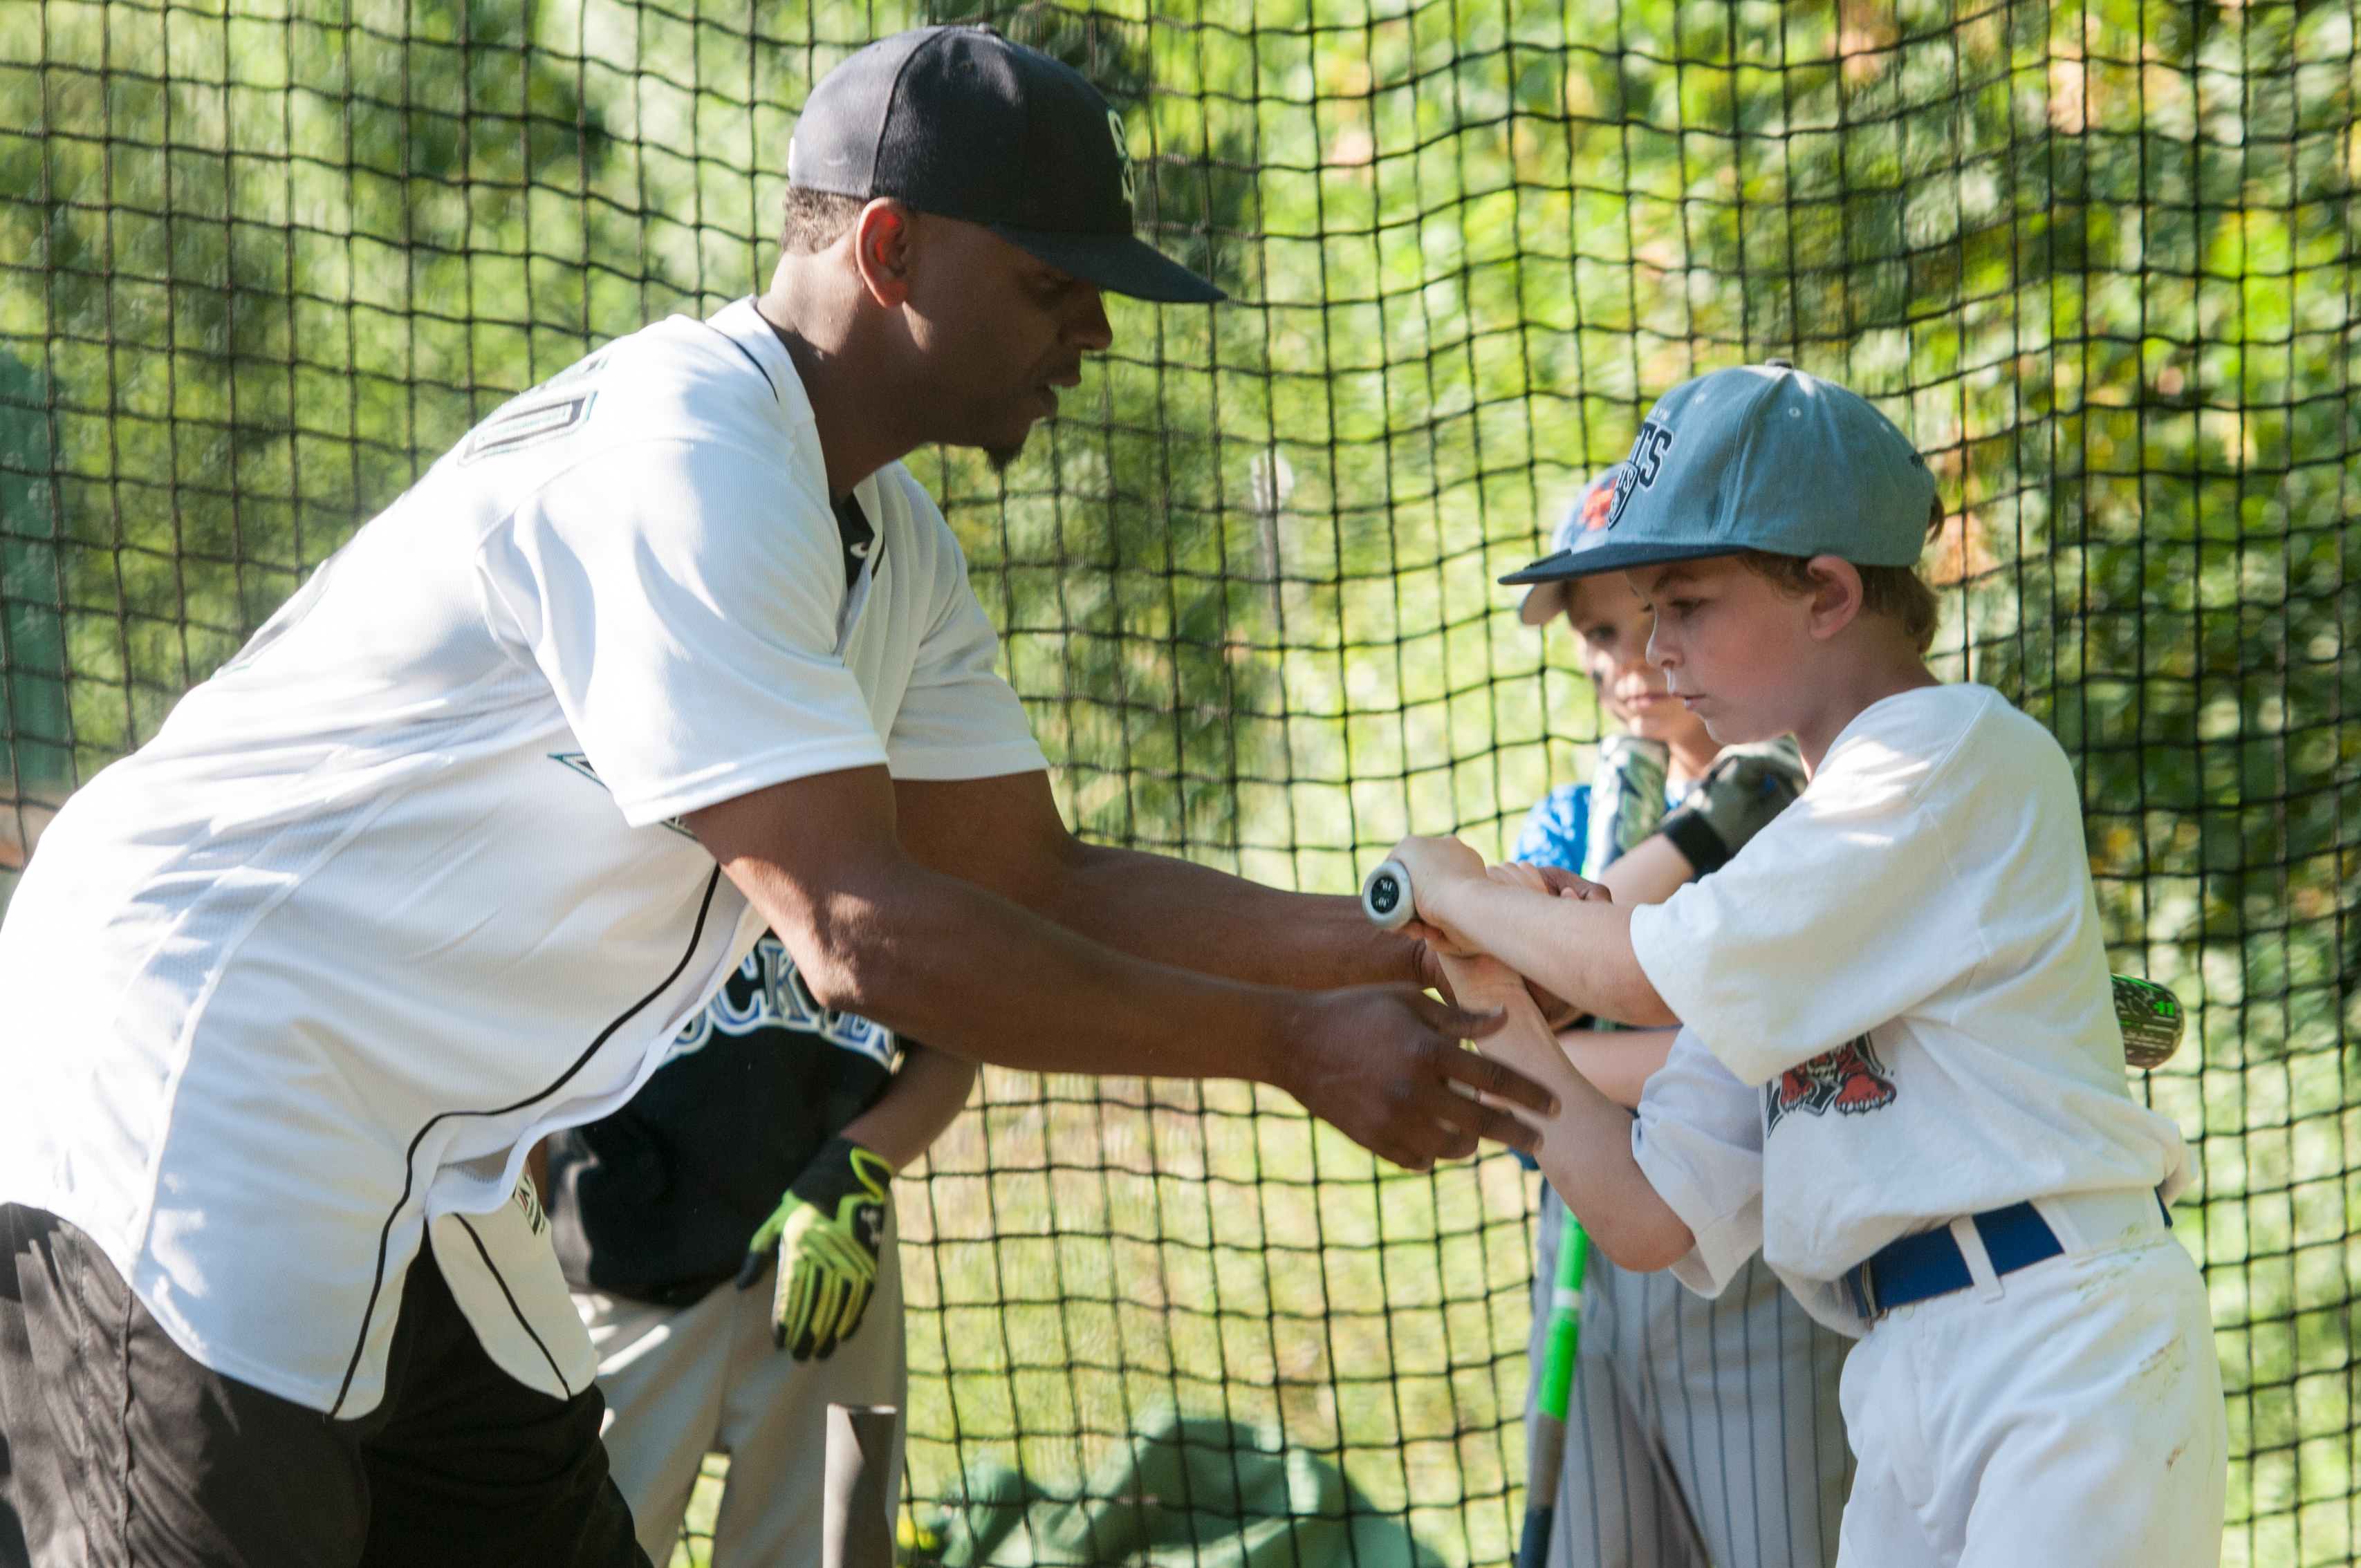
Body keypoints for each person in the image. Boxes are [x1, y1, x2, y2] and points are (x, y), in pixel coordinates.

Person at [0, 26, 1553, 1566]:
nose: (1094, 330)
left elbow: (1040, 879)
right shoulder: (688, 452)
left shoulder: (890, 538)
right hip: (192, 1054)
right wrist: (1286, 1045)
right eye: (1051, 282)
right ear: (889, 247)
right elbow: (863, 937)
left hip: (412, 1127)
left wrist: (1406, 946)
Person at [1392, 362, 2227, 1567]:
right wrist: (1476, 976)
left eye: (1682, 602)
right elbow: (1639, 1213)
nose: (1652, 647)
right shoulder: (1787, 866)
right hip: (1897, 1365)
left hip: (2061, 1339)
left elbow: (1635, 978)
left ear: (1826, 590)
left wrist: (1454, 887)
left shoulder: (1943, 757)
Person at [1509, 470, 1850, 1568]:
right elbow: (1516, 1011)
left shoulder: (1797, 796)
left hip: (1752, 1251)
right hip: (1582, 1245)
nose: (1630, 663)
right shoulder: (1574, 818)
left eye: (1660, 615)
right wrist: (1560, 1050)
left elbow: (1758, 1053)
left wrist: (1553, 1054)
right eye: (1599, 635)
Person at [546, 930, 971, 1566]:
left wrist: (859, 1162)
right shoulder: (587, 841)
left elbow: (956, 1039)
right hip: (619, 1281)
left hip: (827, 1274)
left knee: (827, 1555)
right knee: (569, 1546)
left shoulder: (902, 838)